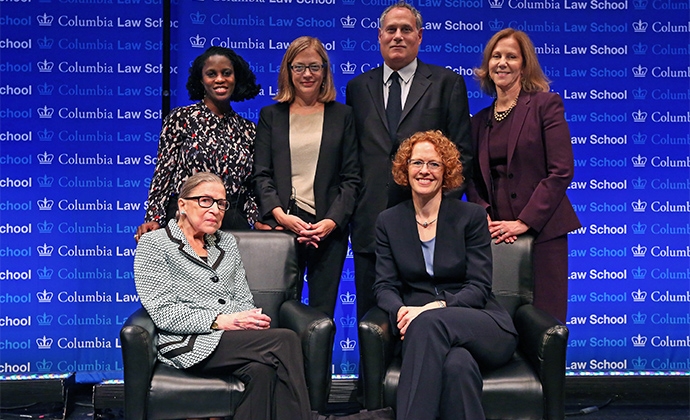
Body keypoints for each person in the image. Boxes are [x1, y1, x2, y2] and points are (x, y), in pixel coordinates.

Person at [133, 172, 312, 420]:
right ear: (182, 205)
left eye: (221, 203)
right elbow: (164, 312)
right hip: (186, 341)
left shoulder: (226, 242)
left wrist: (247, 321)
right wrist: (221, 321)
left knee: (263, 372)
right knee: (285, 341)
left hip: (230, 337)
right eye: (205, 201)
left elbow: (242, 298)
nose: (215, 210)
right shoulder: (154, 243)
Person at [373, 131, 517, 420]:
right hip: (420, 332)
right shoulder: (389, 221)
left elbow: (478, 287)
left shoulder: (471, 217)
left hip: (481, 324)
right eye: (417, 163)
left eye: (434, 164)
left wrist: (432, 309)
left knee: (429, 323)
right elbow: (384, 286)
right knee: (457, 366)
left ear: (446, 171)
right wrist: (401, 310)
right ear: (405, 168)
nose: (424, 171)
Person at [345, 1, 472, 322]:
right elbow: (352, 158)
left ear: (420, 36)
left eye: (406, 29)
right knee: (372, 323)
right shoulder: (358, 88)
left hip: (429, 227)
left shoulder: (447, 83)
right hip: (370, 224)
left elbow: (462, 155)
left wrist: (441, 215)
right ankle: (373, 376)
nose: (398, 36)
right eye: (391, 30)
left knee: (425, 319)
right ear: (379, 36)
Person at [467, 28, 581, 323]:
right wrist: (485, 216)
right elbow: (471, 178)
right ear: (487, 65)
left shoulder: (545, 105)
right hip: (497, 237)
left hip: (543, 231)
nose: (502, 63)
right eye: (496, 56)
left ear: (524, 64)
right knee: (499, 321)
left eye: (511, 57)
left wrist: (525, 222)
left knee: (546, 322)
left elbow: (561, 170)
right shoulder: (478, 121)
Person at [253, 36, 360, 318]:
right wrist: (280, 216)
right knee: (279, 313)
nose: (307, 74)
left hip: (328, 230)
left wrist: (330, 222)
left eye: (314, 66)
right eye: (299, 67)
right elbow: (261, 175)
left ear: (325, 70)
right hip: (282, 228)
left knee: (321, 317)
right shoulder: (270, 115)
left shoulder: (344, 115)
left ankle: (318, 365)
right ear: (287, 71)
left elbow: (351, 179)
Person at [135, 46, 265, 242]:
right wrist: (154, 218)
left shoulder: (248, 130)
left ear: (236, 78)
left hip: (231, 224)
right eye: (211, 74)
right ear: (201, 80)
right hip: (186, 221)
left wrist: (257, 220)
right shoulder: (181, 118)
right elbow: (163, 174)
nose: (219, 79)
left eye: (226, 73)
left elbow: (250, 188)